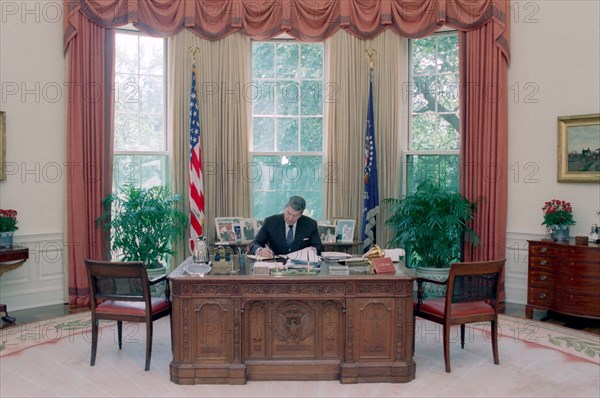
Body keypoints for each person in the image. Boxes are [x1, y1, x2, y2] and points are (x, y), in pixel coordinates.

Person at [249, 196, 324, 259]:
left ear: (300, 215)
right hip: (275, 264)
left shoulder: (310, 224)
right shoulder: (270, 222)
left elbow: (319, 247)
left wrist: (313, 250)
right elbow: (255, 243)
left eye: (295, 215)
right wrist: (260, 250)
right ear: (284, 209)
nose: (290, 218)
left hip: (302, 266)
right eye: (288, 213)